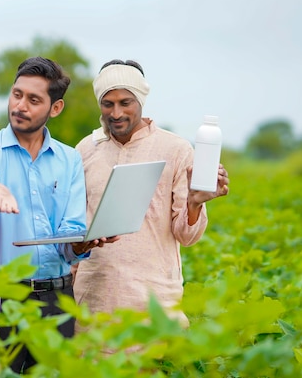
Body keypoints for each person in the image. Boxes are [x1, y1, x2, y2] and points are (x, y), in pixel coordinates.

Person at [0, 57, 116, 373]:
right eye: (17, 94)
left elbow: (71, 228)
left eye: (34, 100)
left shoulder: (69, 159)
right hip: (1, 297)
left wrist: (81, 244)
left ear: (54, 108)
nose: (20, 106)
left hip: (58, 297)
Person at [72, 59, 230, 331]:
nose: (116, 112)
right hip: (93, 302)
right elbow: (72, 228)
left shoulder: (175, 149)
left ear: (141, 101)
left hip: (155, 303)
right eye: (107, 103)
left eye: (126, 102)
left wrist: (194, 203)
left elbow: (187, 236)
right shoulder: (85, 150)